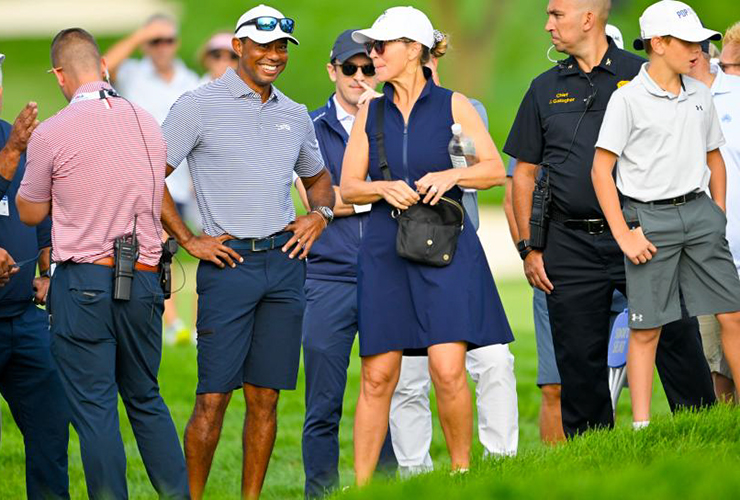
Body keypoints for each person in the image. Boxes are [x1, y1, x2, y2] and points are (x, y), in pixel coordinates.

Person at [505, 0, 716, 437]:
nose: (547, 26)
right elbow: (523, 175)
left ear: (587, 18)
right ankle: (593, 456)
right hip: (569, 242)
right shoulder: (543, 88)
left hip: (646, 230)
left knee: (677, 339)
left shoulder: (645, 73)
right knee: (578, 358)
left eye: (556, 15)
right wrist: (528, 247)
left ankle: (703, 435)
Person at [159, 5, 335, 499]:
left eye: (281, 47)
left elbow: (319, 180)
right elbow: (149, 173)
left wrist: (318, 217)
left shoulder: (295, 113)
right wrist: (189, 239)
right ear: (239, 47)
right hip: (228, 263)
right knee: (212, 398)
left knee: (265, 399)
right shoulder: (198, 105)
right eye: (263, 46)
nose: (274, 56)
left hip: (284, 263)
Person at [341, 6, 513, 484]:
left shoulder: (455, 104)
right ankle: (361, 490)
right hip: (385, 250)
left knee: (447, 369)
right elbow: (348, 187)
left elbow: (495, 171)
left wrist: (453, 174)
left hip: (445, 248)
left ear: (413, 50)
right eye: (369, 47)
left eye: (382, 46)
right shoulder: (369, 111)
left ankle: (460, 476)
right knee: (378, 377)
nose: (372, 54)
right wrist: (382, 188)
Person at [16, 28, 189, 499]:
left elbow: (30, 211)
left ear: (59, 75)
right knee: (146, 399)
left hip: (84, 282)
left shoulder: (52, 131)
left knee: (95, 411)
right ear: (104, 67)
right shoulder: (146, 122)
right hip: (147, 281)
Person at [592, 0, 740, 429]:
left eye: (702, 42)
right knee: (646, 329)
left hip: (700, 215)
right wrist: (624, 234)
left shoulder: (700, 94)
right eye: (689, 42)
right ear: (658, 43)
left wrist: (718, 212)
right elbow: (601, 170)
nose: (699, 50)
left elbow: (715, 157)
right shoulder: (628, 100)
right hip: (648, 221)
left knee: (732, 314)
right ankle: (641, 428)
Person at [389, 55, 518, 473]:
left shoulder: (466, 109)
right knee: (409, 378)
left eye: (432, 66)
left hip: (461, 250)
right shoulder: (381, 117)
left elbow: (492, 173)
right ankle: (415, 473)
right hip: (404, 253)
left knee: (494, 361)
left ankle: (501, 461)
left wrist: (452, 173)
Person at [299, 29, 397, 498]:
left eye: (368, 68)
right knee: (322, 403)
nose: (360, 77)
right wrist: (372, 197)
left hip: (385, 274)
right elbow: (309, 200)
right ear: (332, 71)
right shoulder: (311, 127)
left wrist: (346, 195)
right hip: (325, 278)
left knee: (384, 393)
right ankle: (320, 492)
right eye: (350, 68)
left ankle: (384, 489)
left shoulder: (391, 121)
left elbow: (409, 188)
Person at [104, 14, 200, 345]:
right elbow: (102, 68)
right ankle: (169, 321)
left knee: (174, 251)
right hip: (140, 179)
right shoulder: (132, 73)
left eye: (167, 40)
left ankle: (174, 320)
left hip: (179, 180)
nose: (162, 47)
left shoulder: (189, 80)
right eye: (155, 41)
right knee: (157, 246)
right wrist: (140, 33)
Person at [0, 52, 70, 500]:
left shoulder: (15, 138)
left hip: (25, 315)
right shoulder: (13, 146)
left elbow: (40, 213)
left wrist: (48, 268)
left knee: (50, 426)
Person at [688, 40, 740, 403]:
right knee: (714, 364)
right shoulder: (662, 100)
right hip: (702, 251)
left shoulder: (735, 94)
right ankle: (723, 433)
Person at [503, 156, 564, 444]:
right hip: (554, 269)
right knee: (554, 385)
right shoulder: (541, 116)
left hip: (617, 258)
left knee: (605, 380)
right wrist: (528, 254)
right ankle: (559, 470)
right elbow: (511, 200)